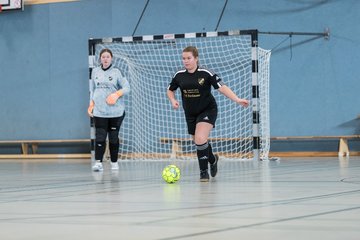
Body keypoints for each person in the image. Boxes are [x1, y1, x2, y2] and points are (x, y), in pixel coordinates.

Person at [167, 46, 249, 182]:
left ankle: (203, 172)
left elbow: (222, 87)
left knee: (200, 138)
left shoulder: (206, 73)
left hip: (208, 110)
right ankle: (213, 159)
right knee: (199, 141)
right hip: (190, 113)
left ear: (196, 58)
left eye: (189, 58)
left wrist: (237, 99)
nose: (186, 61)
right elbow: (170, 90)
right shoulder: (179, 75)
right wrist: (173, 100)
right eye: (183, 58)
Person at [88, 48, 130, 172]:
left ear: (111, 58)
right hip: (99, 111)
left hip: (115, 112)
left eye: (107, 57)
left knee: (113, 137)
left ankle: (114, 162)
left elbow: (127, 88)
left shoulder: (117, 72)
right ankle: (98, 162)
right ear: (100, 58)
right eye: (103, 57)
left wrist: (116, 94)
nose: (105, 59)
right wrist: (91, 103)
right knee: (100, 136)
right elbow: (93, 89)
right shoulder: (95, 71)